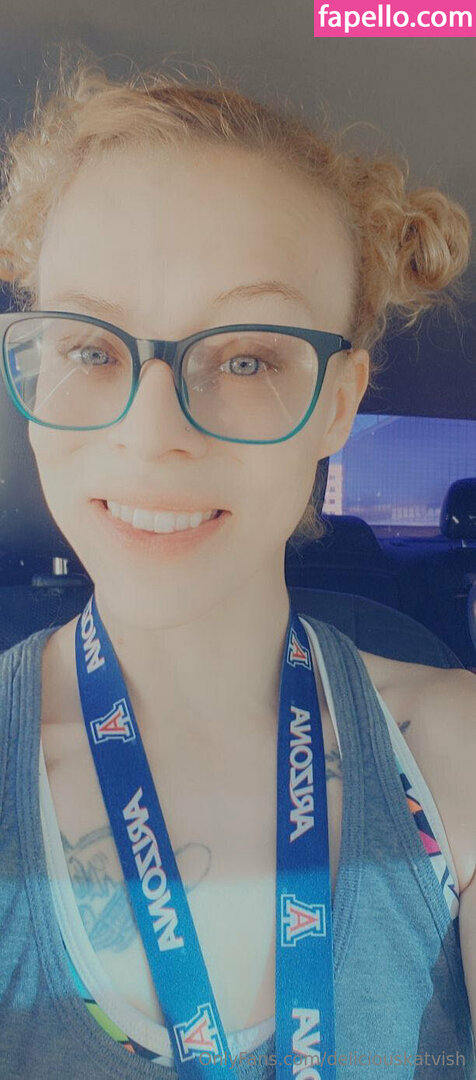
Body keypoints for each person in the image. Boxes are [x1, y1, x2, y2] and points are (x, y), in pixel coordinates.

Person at [0, 52, 474, 1080]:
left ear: (338, 405)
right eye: (90, 349)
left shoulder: (454, 755)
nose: (149, 435)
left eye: (247, 357)